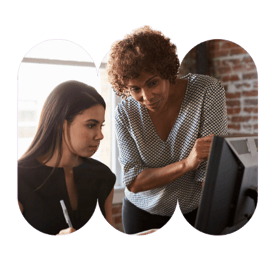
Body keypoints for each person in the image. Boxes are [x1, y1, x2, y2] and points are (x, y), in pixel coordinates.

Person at [107, 26, 228, 234]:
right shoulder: (124, 113)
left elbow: (209, 170)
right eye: (136, 89)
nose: (147, 97)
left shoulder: (207, 91)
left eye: (152, 82)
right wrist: (187, 164)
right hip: (141, 213)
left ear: (167, 71)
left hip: (194, 211)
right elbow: (134, 181)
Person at [17, 81, 116, 236]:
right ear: (59, 124)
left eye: (101, 126)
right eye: (91, 125)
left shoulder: (103, 175)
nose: (100, 135)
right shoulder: (18, 179)